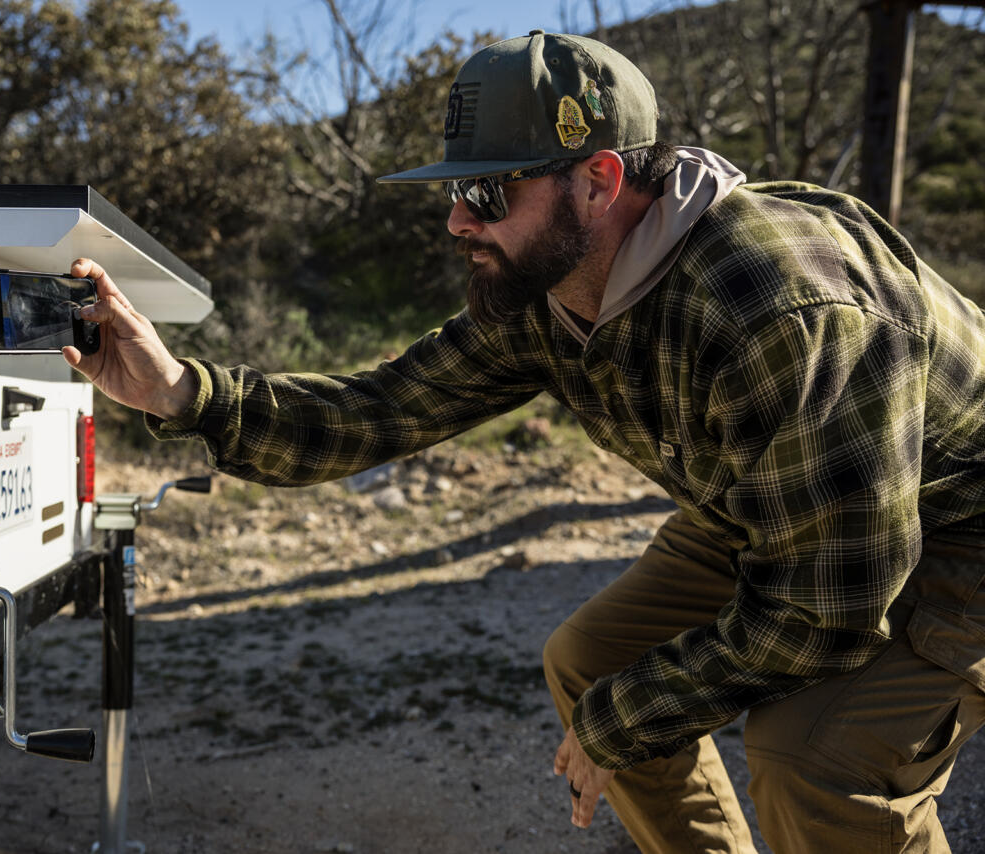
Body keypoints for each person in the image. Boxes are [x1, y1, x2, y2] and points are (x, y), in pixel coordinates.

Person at [62, 30, 985, 853]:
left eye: (486, 192)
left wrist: (624, 722)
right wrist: (180, 392)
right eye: (452, 192)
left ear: (600, 180)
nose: (458, 220)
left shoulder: (778, 309)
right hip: (781, 509)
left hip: (954, 525)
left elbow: (826, 606)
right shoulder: (553, 292)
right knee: (590, 664)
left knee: (810, 755)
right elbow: (376, 410)